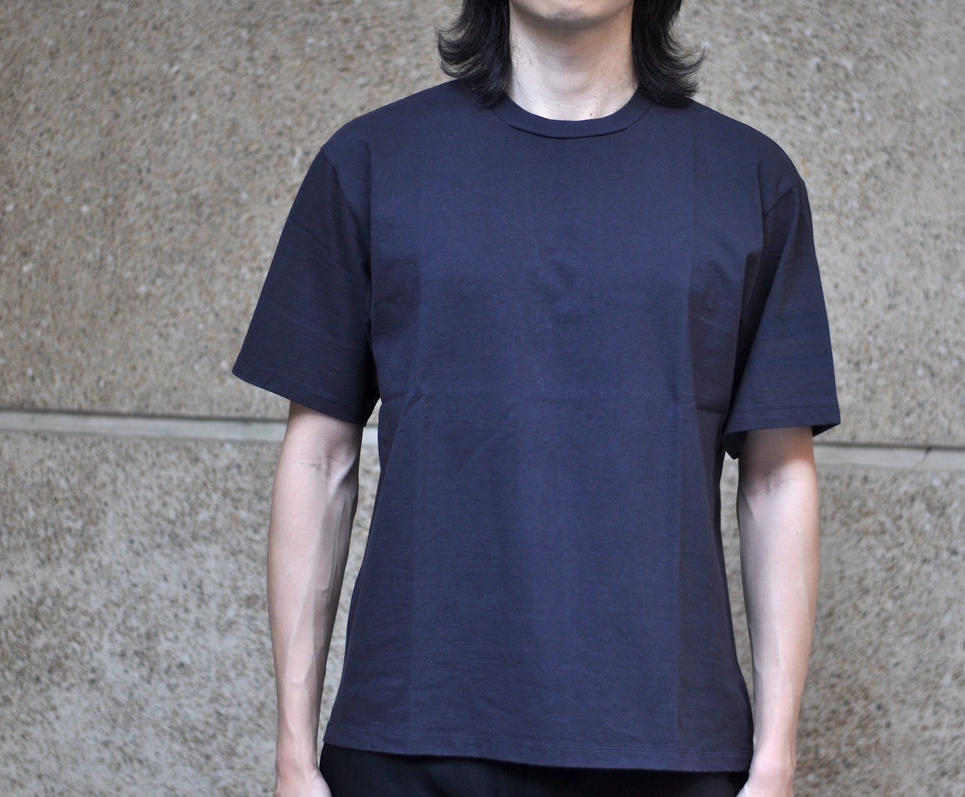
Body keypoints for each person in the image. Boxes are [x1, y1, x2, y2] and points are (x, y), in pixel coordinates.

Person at [233, 1, 839, 795]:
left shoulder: (748, 181)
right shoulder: (373, 162)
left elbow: (776, 475)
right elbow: (319, 458)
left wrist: (776, 759)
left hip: (668, 747)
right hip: (412, 737)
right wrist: (292, 752)